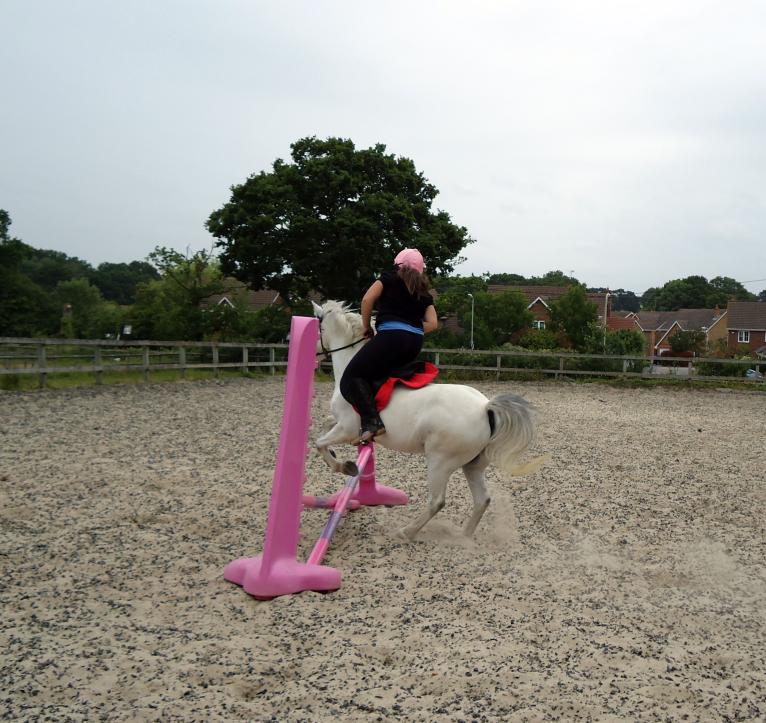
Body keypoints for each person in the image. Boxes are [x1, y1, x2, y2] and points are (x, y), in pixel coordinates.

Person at [340, 248, 438, 443]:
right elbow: (433, 323)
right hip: (415, 342)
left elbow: (367, 299)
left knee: (352, 377)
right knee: (380, 375)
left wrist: (367, 327)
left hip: (391, 337)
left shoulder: (388, 278)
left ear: (398, 265)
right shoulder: (424, 291)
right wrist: (411, 329)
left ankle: (372, 422)